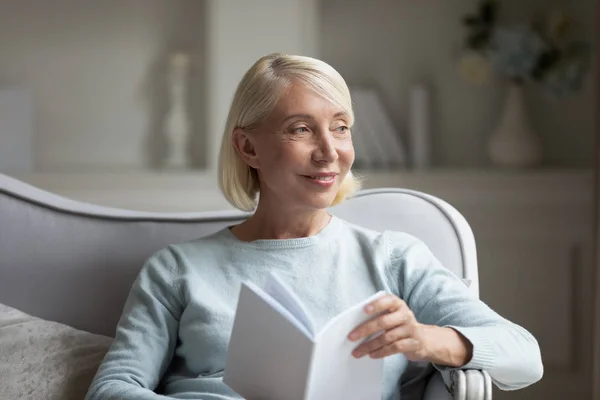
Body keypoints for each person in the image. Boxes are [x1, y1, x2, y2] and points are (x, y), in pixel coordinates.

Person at [85, 53, 543, 400]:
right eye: (301, 129)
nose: (330, 151)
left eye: (340, 127)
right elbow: (112, 390)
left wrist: (427, 339)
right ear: (247, 147)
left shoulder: (392, 258)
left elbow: (524, 356)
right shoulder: (177, 269)